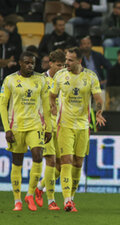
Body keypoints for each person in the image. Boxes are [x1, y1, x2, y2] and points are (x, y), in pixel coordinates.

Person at [50, 47, 106, 212]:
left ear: (79, 61)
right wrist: (53, 106)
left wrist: (100, 111)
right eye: (66, 59)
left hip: (83, 126)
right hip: (65, 125)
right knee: (66, 162)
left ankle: (71, 197)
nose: (66, 63)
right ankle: (67, 200)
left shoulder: (90, 77)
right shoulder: (60, 75)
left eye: (70, 60)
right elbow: (52, 95)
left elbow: (98, 98)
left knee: (78, 163)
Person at [0, 51, 52, 211]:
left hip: (35, 125)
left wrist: (48, 127)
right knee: (17, 162)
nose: (30, 65)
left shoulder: (41, 80)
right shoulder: (10, 80)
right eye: (27, 62)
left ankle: (30, 194)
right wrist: (6, 129)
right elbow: (2, 105)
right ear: (20, 63)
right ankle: (17, 200)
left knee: (38, 155)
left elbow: (46, 105)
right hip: (16, 127)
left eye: (33, 63)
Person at [34, 50, 66, 211]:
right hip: (45, 127)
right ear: (51, 63)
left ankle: (39, 187)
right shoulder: (40, 80)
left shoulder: (65, 80)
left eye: (64, 65)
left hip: (61, 126)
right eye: (59, 65)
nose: (61, 68)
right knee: (51, 162)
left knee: (61, 165)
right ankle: (51, 200)